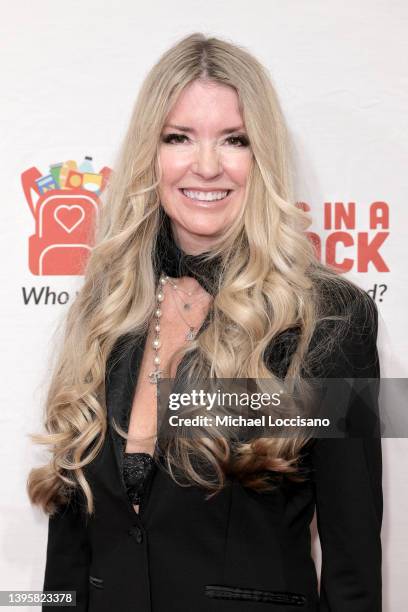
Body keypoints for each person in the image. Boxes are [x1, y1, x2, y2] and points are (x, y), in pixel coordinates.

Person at [27, 32, 382, 612]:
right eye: (179, 137)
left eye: (234, 139)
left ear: (261, 155)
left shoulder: (335, 317)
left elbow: (353, 563)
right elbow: (66, 563)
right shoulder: (106, 308)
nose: (208, 165)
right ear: (151, 152)